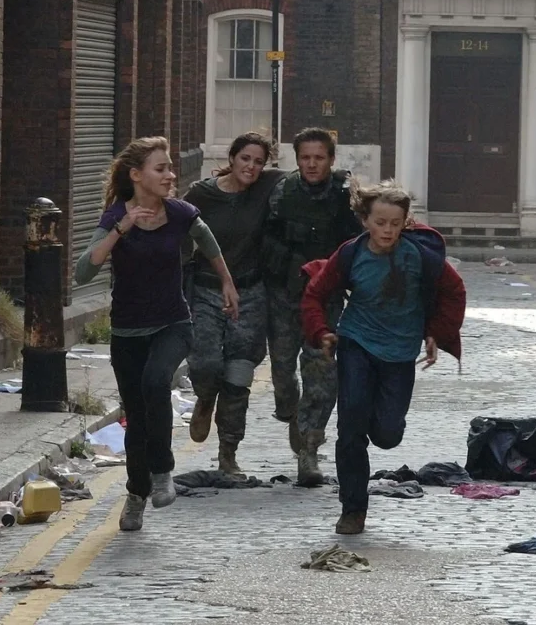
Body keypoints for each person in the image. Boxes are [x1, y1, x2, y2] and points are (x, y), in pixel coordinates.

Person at [74, 136, 238, 532]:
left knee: (155, 382)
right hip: (128, 332)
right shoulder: (115, 216)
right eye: (160, 168)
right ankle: (136, 493)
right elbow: (84, 271)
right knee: (138, 419)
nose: (170, 174)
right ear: (136, 176)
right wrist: (122, 227)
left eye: (169, 168)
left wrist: (227, 283)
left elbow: (206, 240)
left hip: (173, 324)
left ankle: (163, 470)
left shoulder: (181, 213)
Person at [300, 180, 466, 534]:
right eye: (380, 222)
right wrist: (322, 332)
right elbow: (315, 293)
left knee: (388, 434)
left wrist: (437, 332)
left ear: (405, 222)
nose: (387, 230)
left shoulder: (420, 257)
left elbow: (454, 291)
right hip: (356, 343)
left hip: (400, 352)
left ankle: (382, 425)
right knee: (351, 430)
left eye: (394, 223)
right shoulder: (351, 253)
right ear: (365, 221)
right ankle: (353, 509)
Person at [262, 127, 362, 486]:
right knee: (283, 372)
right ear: (297, 158)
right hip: (285, 294)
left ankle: (309, 450)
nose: (312, 164)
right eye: (305, 157)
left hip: (326, 298)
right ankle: (290, 411)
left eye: (319, 158)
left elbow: (359, 241)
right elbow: (265, 238)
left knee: (321, 375)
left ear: (331, 160)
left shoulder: (344, 195)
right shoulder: (283, 192)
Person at [182, 132, 286, 474]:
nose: (252, 167)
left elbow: (306, 175)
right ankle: (204, 398)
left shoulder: (266, 187)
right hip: (207, 291)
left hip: (251, 294)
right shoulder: (202, 194)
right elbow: (179, 236)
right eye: (245, 159)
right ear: (232, 158)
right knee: (206, 363)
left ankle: (228, 451)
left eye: (259, 162)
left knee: (239, 375)